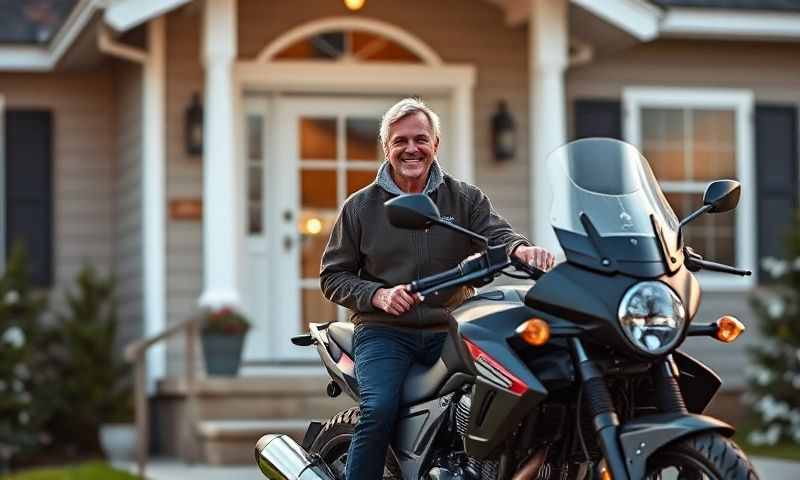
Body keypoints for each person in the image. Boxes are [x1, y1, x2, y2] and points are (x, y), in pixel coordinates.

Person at [320, 97, 555, 480]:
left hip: (451, 326)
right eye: (400, 141)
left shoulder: (464, 198)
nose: (411, 148)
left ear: (435, 144)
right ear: (387, 148)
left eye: (420, 139)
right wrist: (378, 295)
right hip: (384, 332)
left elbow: (498, 235)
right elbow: (333, 277)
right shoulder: (360, 207)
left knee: (515, 395)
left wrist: (521, 250)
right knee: (379, 409)